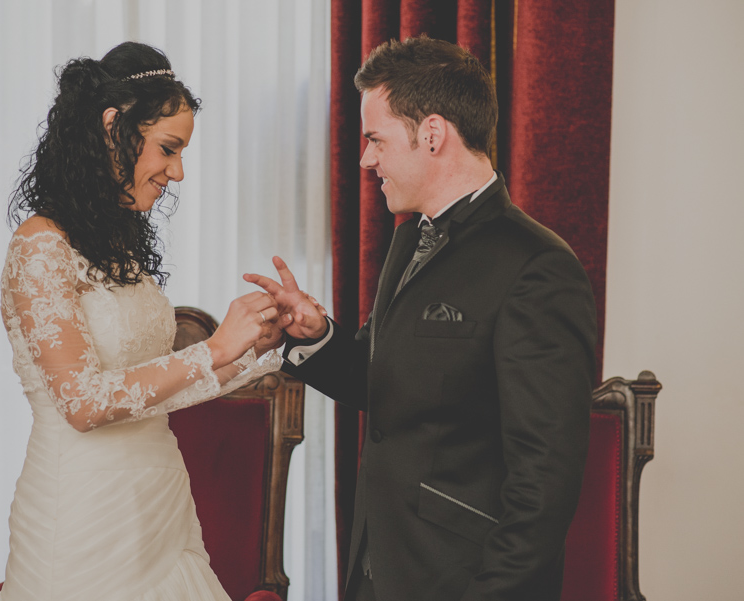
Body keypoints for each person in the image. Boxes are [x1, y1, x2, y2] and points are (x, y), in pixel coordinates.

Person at [245, 36, 597, 601]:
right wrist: (318, 338)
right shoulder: (408, 239)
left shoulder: (539, 267)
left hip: (460, 580)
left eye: (375, 139)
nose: (365, 159)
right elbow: (387, 386)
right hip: (377, 565)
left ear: (431, 134)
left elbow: (545, 485)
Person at [0, 41, 286, 601]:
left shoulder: (118, 247)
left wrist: (255, 346)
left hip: (160, 506)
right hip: (84, 522)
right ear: (113, 128)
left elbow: (152, 387)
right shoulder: (39, 248)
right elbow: (83, 404)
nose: (177, 172)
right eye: (168, 149)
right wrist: (217, 348)